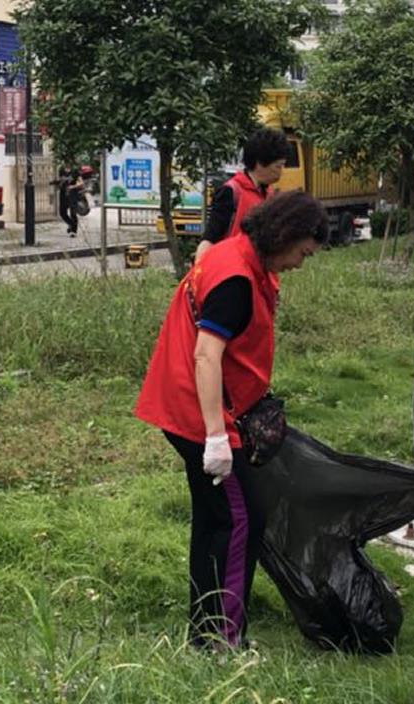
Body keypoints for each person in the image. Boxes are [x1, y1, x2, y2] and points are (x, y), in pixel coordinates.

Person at [134, 191, 328, 648]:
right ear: (285, 236)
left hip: (187, 404)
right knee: (242, 521)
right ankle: (222, 639)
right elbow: (207, 354)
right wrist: (217, 438)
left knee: (214, 520)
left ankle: (204, 632)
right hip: (199, 412)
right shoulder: (236, 279)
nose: (301, 264)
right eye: (303, 253)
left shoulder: (235, 255)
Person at [194, 127, 291, 263]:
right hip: (230, 270)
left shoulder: (269, 194)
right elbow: (210, 238)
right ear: (259, 164)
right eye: (278, 166)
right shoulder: (231, 192)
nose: (281, 172)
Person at [55, 167, 86, 237]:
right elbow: (60, 182)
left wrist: (73, 186)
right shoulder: (61, 170)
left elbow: (81, 183)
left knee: (73, 213)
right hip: (63, 194)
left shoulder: (75, 171)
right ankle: (70, 224)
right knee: (62, 212)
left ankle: (73, 231)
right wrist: (59, 183)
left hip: (72, 194)